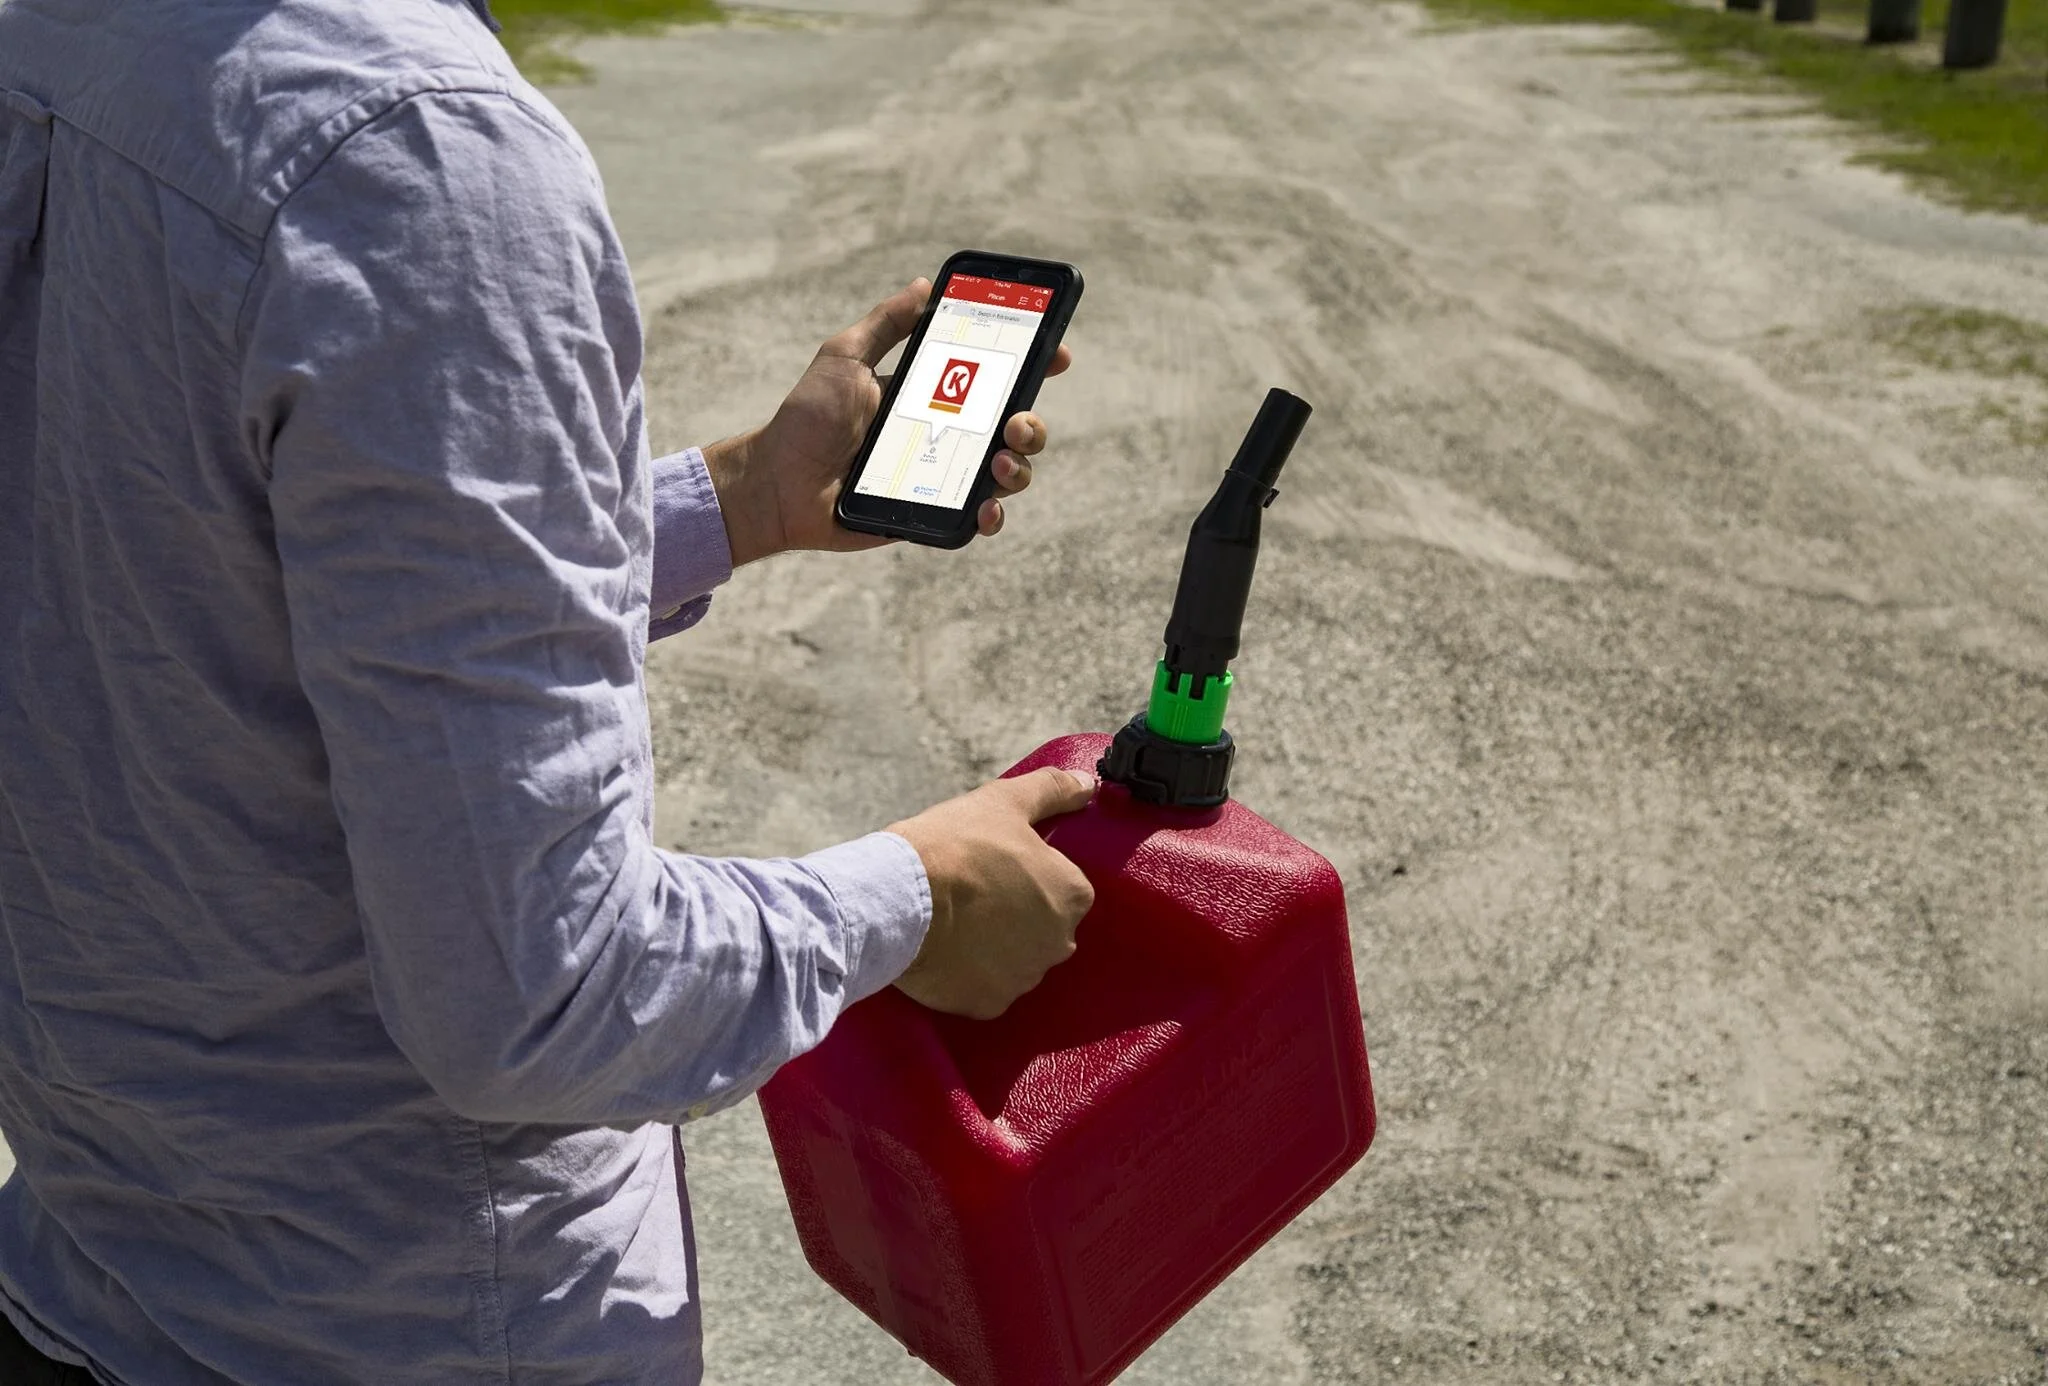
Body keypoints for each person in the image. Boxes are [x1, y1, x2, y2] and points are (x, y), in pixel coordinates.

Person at [0, 0, 1097, 1381]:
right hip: (410, 1324)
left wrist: (738, 501)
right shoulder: (421, 162)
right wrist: (919, 896)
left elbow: (170, 610)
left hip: (85, 1268)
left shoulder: (58, 34)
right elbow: (540, 991)